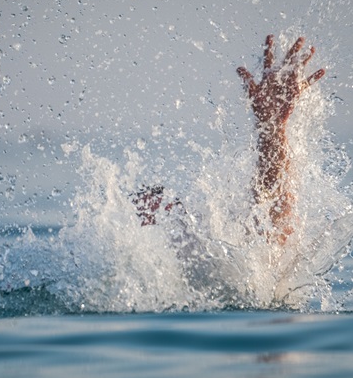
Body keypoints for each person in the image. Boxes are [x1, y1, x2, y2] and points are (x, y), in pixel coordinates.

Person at [133, 34, 325, 245]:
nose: (148, 221)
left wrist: (272, 128)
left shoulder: (205, 240)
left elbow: (272, 229)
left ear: (174, 207)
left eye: (159, 210)